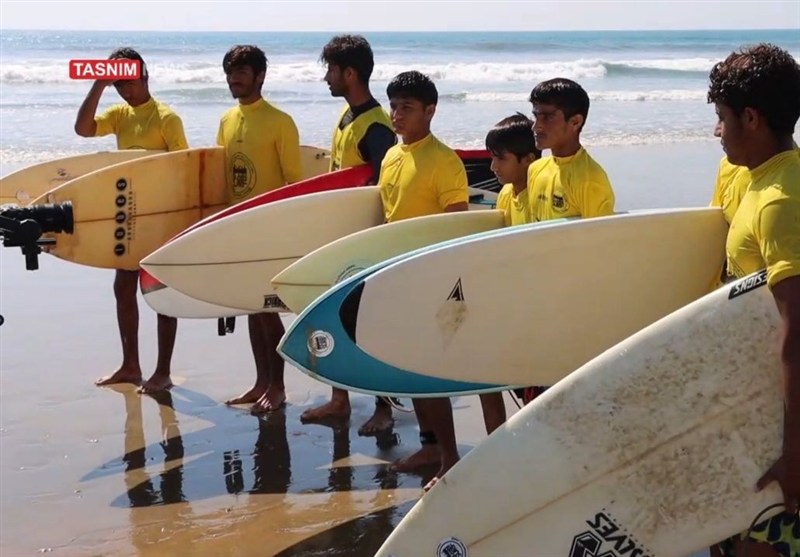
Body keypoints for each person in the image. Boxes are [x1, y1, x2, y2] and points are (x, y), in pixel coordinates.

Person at [705, 43, 800, 557]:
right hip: (759, 411)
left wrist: (794, 455)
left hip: (782, 426)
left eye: (722, 119)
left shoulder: (781, 200)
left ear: (751, 117)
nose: (718, 132)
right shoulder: (761, 183)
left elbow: (797, 333)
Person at [299, 34, 399, 436]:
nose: (327, 78)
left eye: (332, 70)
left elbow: (382, 188)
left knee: (368, 325)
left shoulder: (376, 127)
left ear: (350, 73)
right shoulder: (347, 118)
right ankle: (339, 400)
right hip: (340, 237)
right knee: (334, 318)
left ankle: (385, 409)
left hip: (366, 243)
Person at [74, 47, 188, 394]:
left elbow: (183, 169)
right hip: (131, 215)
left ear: (146, 77)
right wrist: (99, 84)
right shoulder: (120, 115)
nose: (126, 90)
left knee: (159, 294)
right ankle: (130, 365)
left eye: (130, 82)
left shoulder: (167, 118)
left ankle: (163, 372)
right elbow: (83, 129)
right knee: (122, 287)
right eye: (120, 84)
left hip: (162, 220)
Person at [376, 71, 468, 491]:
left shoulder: (444, 161)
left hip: (430, 275)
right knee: (409, 371)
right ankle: (429, 445)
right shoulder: (392, 157)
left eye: (407, 108)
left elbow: (456, 224)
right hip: (396, 273)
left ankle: (450, 457)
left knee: (429, 372)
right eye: (393, 106)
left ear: (430, 111)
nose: (397, 115)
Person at [216, 45, 303, 414]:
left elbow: (294, 183)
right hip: (239, 227)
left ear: (260, 76)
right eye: (230, 72)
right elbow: (224, 178)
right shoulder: (226, 120)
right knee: (252, 308)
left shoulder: (279, 122)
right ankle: (260, 382)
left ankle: (278, 386)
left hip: (270, 229)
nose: (234, 78)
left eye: (242, 72)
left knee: (268, 309)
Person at [485, 112, 541, 425]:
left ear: (528, 160)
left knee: (534, 393)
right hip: (512, 302)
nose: (493, 167)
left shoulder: (540, 193)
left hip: (535, 308)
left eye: (500, 159)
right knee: (486, 378)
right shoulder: (506, 194)